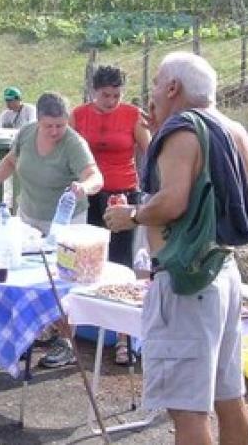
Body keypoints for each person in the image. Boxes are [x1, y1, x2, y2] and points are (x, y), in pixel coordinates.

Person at [104, 52, 248, 445]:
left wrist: (132, 216)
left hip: (188, 279)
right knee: (228, 396)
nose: (152, 92)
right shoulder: (234, 131)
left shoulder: (182, 129)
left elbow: (173, 202)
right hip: (223, 269)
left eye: (156, 83)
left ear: (173, 87)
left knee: (187, 409)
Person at [0, 92, 103, 368]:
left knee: (61, 281)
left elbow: (95, 176)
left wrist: (84, 187)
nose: (55, 131)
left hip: (65, 222)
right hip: (30, 215)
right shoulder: (26, 133)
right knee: (31, 275)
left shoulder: (73, 144)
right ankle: (38, 330)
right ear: (39, 121)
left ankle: (66, 341)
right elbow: (10, 161)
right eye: (49, 126)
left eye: (60, 125)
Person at [70, 65, 151, 365]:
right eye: (105, 95)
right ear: (93, 92)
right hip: (88, 196)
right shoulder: (78, 116)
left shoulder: (132, 115)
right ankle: (73, 331)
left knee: (120, 263)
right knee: (83, 262)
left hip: (122, 194)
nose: (111, 100)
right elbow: (66, 149)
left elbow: (151, 150)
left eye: (117, 95)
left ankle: (124, 337)